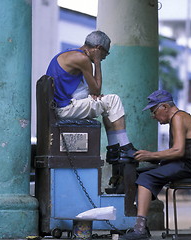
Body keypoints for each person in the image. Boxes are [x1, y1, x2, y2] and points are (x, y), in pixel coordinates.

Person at [120, 89, 191, 240]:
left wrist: (151, 155)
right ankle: (141, 225)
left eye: (154, 111)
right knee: (138, 174)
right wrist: (149, 157)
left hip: (189, 165)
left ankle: (139, 229)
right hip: (182, 163)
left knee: (146, 178)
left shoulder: (179, 117)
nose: (153, 116)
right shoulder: (177, 118)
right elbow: (176, 152)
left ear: (164, 107)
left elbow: (178, 151)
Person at [46, 30, 137, 164]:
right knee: (113, 100)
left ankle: (113, 149)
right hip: (64, 109)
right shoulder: (83, 59)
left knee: (107, 105)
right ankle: (124, 146)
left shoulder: (69, 53)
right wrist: (97, 61)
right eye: (105, 53)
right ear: (98, 48)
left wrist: (95, 95)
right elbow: (96, 88)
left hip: (61, 106)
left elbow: (89, 90)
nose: (105, 57)